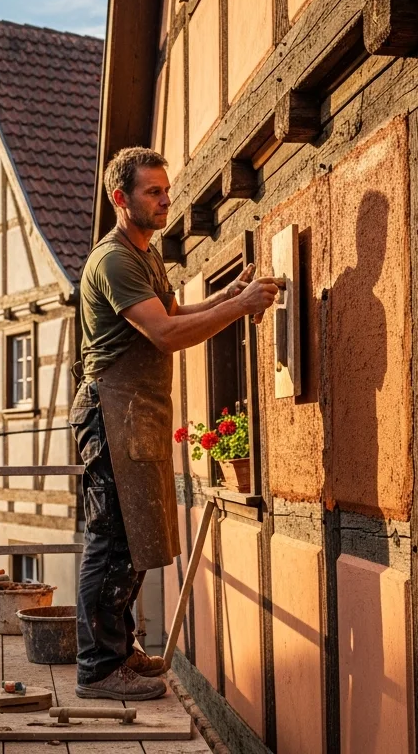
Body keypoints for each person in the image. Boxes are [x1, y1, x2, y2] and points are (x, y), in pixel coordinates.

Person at [72, 147, 281, 700]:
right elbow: (164, 336)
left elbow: (174, 314)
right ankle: (97, 668)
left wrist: (227, 295)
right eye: (153, 192)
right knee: (112, 540)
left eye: (166, 190)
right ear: (121, 199)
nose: (166, 201)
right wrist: (239, 309)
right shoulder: (114, 259)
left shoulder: (145, 255)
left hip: (136, 413)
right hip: (110, 414)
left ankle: (119, 650)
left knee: (139, 535)